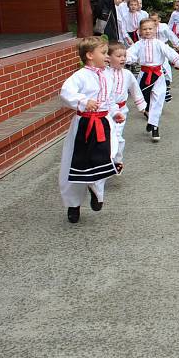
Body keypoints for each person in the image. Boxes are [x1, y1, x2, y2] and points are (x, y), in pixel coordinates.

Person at [59, 37, 124, 224]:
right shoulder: (80, 75)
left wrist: (115, 112)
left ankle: (96, 190)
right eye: (103, 53)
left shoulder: (108, 75)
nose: (106, 57)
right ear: (89, 55)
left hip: (104, 122)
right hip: (84, 124)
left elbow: (110, 100)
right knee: (76, 162)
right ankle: (73, 204)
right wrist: (83, 101)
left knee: (107, 157)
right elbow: (66, 92)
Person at [125, 18, 179, 141]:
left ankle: (154, 126)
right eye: (144, 29)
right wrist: (125, 60)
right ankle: (149, 118)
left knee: (157, 100)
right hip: (144, 74)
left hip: (158, 75)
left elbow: (170, 53)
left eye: (150, 29)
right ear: (140, 31)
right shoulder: (138, 45)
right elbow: (130, 55)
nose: (147, 31)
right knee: (144, 100)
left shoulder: (159, 43)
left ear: (155, 30)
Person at [106, 42, 146, 174]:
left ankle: (117, 160)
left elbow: (135, 89)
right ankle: (106, 161)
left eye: (124, 56)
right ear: (108, 58)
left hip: (121, 112)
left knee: (117, 136)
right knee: (107, 137)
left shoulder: (127, 74)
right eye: (118, 56)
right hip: (106, 111)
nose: (123, 58)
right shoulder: (104, 74)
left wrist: (141, 106)